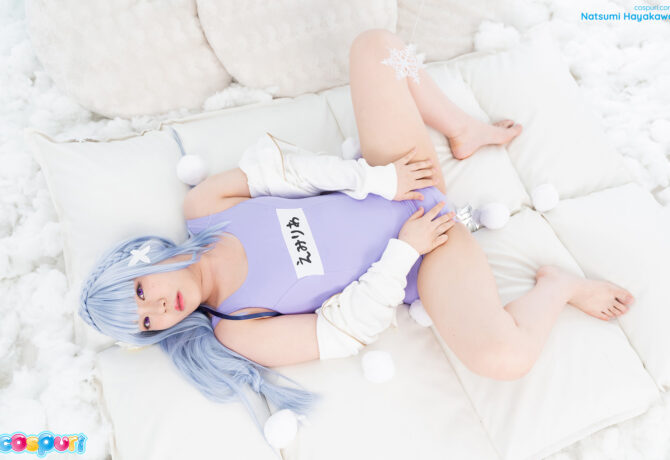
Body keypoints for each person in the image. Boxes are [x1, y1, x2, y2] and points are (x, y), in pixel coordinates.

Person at [79, 29, 635, 442]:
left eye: (139, 292)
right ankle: (559, 287)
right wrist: (406, 250)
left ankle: (461, 128)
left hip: (398, 176)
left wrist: (378, 179)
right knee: (503, 359)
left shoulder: (203, 208)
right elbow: (342, 331)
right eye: (146, 322)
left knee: (375, 48)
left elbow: (292, 174)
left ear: (143, 261)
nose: (158, 308)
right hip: (431, 252)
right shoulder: (236, 328)